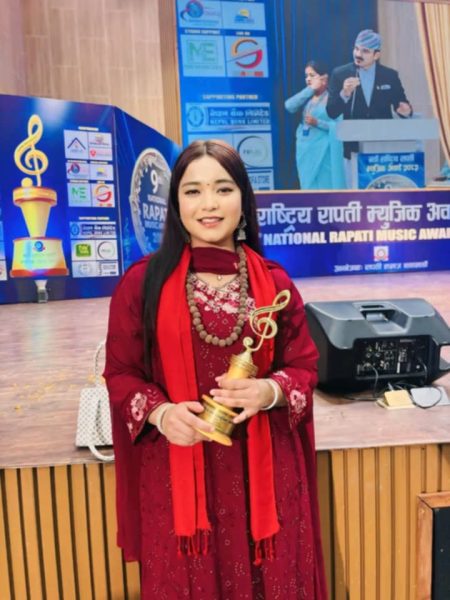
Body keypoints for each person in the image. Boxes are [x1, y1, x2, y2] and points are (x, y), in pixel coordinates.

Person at [104, 139, 327, 599]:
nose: (209, 204)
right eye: (193, 191)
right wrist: (161, 413)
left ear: (243, 199)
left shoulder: (275, 283)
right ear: (175, 204)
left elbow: (304, 368)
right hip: (178, 475)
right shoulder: (142, 283)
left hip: (266, 477)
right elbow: (120, 373)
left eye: (223, 189)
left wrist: (269, 391)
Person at [326, 29, 413, 159]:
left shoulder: (390, 76)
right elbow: (331, 112)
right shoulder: (340, 74)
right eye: (356, 49)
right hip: (354, 148)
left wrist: (406, 111)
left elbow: (401, 104)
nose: (358, 54)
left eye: (365, 51)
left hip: (383, 146)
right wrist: (345, 94)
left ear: (376, 55)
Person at [285, 60, 346, 189]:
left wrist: (318, 123)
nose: (308, 79)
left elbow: (340, 127)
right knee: (308, 187)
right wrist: (310, 89)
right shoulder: (307, 96)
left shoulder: (333, 99)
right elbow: (289, 106)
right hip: (305, 150)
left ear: (324, 78)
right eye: (306, 76)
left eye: (312, 75)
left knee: (325, 186)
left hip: (324, 150)